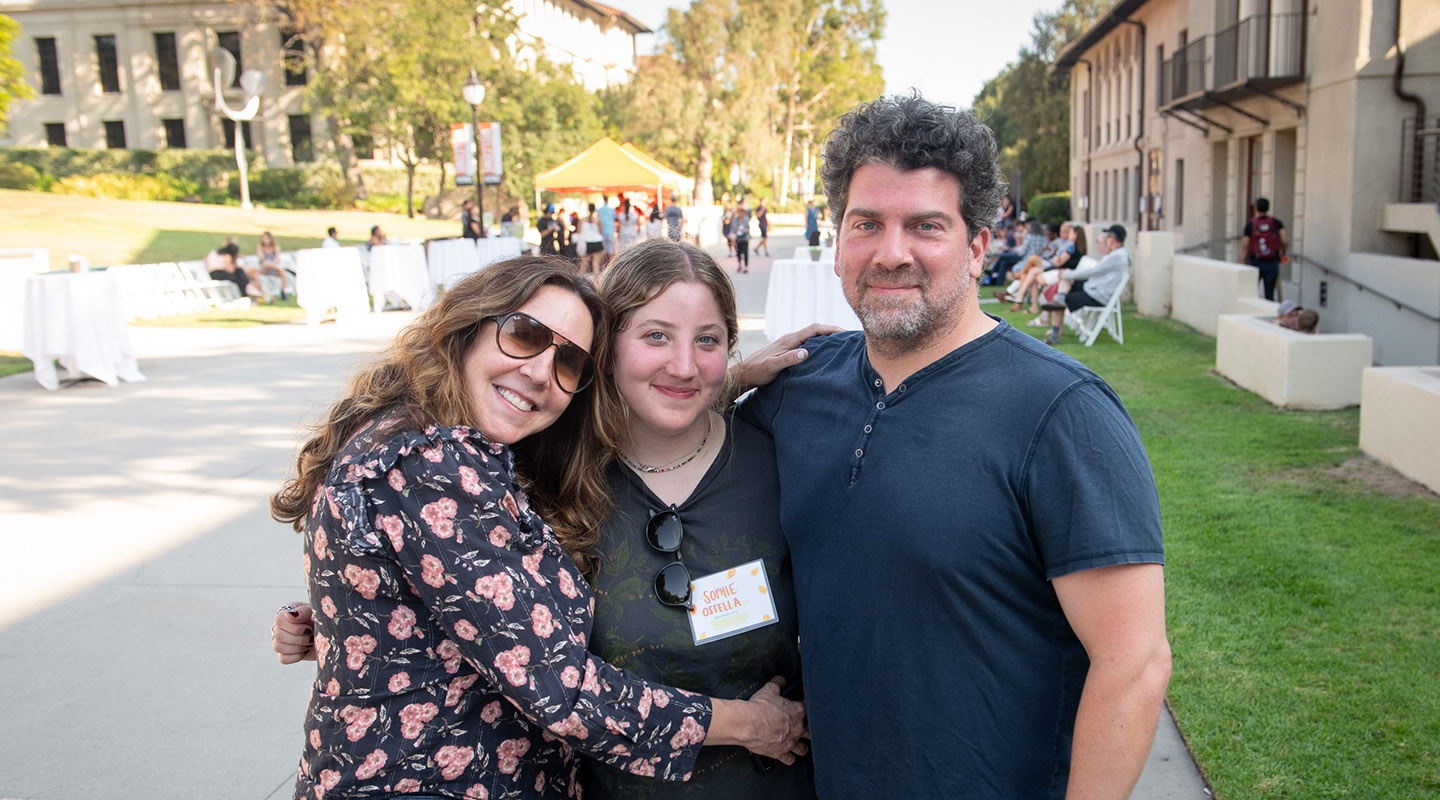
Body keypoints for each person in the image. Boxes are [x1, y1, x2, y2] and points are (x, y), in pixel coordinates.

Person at [735, 93, 1170, 798]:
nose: (891, 252)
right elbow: (657, 435)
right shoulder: (794, 391)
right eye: (866, 223)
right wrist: (729, 379)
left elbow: (1135, 662)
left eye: (925, 226)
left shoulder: (1063, 414)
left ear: (976, 247)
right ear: (838, 239)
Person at [268, 257, 808, 800]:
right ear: (468, 326)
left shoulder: (445, 444)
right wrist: (752, 724)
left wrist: (363, 622)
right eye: (524, 335)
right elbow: (562, 689)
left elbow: (452, 585)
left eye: (568, 362)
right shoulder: (434, 463)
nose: (538, 372)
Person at [1040, 224, 1131, 346]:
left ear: (1112, 239)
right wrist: (1068, 274)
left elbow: (1094, 271)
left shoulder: (1117, 256)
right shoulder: (1119, 254)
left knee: (1062, 287)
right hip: (1094, 289)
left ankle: (1055, 330)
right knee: (1065, 283)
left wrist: (1068, 274)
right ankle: (1060, 301)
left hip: (1097, 295)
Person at [1239, 197, 1287, 301]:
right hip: (1272, 261)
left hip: (1256, 261)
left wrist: (1241, 262)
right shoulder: (1276, 222)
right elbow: (1284, 240)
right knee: (1269, 294)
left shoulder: (1250, 224)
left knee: (1251, 293)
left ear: (1256, 208)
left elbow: (1244, 246)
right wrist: (1283, 253)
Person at [256, 231, 288, 300]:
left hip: (273, 268)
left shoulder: (275, 247)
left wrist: (273, 264)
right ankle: (281, 269)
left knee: (283, 274)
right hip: (264, 269)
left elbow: (277, 259)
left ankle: (283, 292)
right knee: (267, 263)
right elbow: (262, 260)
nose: (265, 240)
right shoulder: (260, 247)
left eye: (267, 239)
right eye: (263, 239)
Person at [579, 203, 607, 276]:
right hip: (597, 242)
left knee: (584, 264)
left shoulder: (582, 219)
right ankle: (596, 283)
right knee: (596, 264)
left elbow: (579, 231)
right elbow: (601, 231)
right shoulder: (598, 219)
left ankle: (579, 282)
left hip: (587, 243)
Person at [730, 197, 752, 273]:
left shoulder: (746, 219)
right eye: (739, 212)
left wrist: (744, 230)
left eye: (741, 212)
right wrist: (737, 230)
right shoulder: (735, 220)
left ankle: (746, 266)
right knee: (738, 252)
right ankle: (739, 265)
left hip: (745, 238)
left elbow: (747, 228)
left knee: (745, 252)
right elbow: (733, 228)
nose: (740, 214)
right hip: (738, 238)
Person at [598, 194, 618, 267]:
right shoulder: (611, 210)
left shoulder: (599, 210)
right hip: (610, 231)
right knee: (611, 250)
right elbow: (615, 218)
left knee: (603, 251)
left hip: (602, 232)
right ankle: (611, 266)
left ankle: (604, 267)